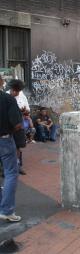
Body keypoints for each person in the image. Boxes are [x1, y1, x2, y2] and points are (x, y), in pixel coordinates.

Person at [0, 75, 22, 222]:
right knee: (11, 173)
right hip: (4, 139)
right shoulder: (7, 99)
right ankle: (6, 210)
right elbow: (17, 124)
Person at [8, 79, 27, 175]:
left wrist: (23, 112)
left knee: (18, 148)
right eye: (17, 91)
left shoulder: (21, 97)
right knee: (10, 148)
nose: (17, 93)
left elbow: (25, 111)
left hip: (18, 127)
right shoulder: (7, 97)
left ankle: (18, 166)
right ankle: (9, 168)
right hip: (11, 128)